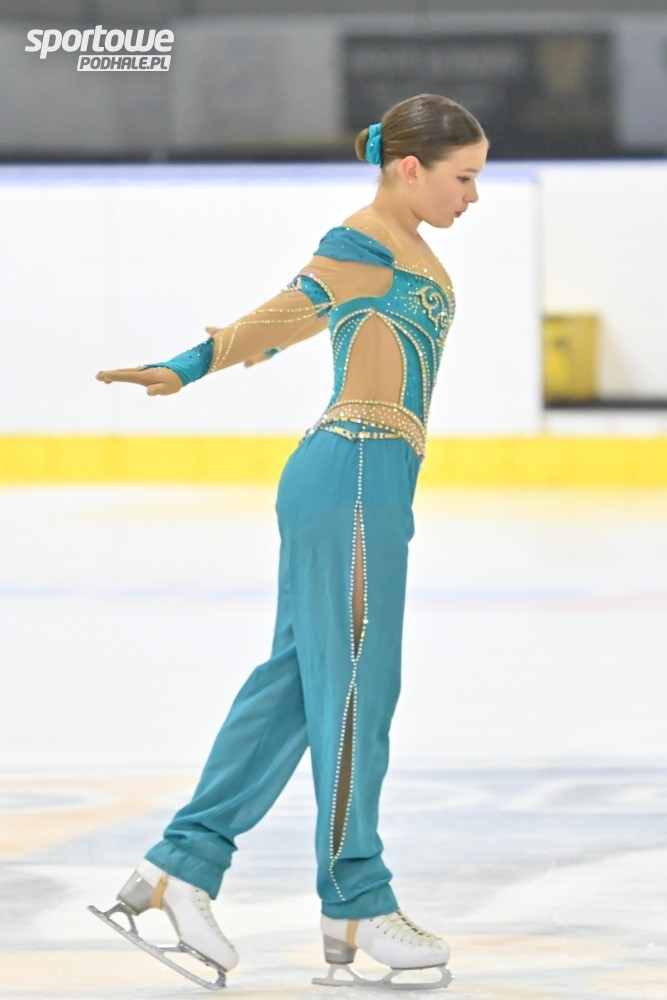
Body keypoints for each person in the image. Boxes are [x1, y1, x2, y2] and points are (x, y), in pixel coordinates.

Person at [90, 93, 488, 991]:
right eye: (463, 177)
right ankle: (355, 897)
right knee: (358, 690)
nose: (473, 196)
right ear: (410, 168)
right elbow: (288, 311)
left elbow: (301, 324)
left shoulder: (400, 247)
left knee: (295, 691)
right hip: (353, 475)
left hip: (363, 482)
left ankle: (179, 867)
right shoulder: (364, 241)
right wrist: (188, 365)